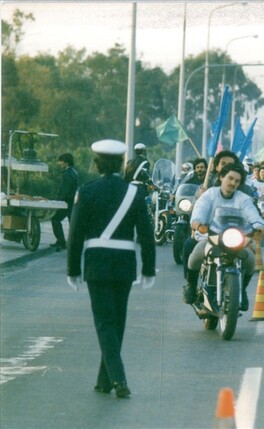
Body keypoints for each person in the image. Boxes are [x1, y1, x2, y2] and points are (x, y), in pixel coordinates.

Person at [67, 139, 155, 398]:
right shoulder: (135, 192)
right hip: (125, 264)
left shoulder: (88, 190)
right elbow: (146, 234)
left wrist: (73, 269)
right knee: (117, 321)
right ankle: (104, 380)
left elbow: (75, 234)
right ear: (121, 164)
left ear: (96, 163)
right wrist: (148, 268)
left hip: (96, 263)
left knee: (105, 322)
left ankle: (118, 378)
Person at [184, 163, 264, 311]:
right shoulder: (210, 194)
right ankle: (190, 285)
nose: (233, 183)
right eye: (230, 178)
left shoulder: (244, 198)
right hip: (211, 236)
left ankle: (241, 289)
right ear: (222, 177)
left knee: (250, 259)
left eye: (237, 181)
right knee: (196, 254)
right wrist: (197, 222)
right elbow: (200, 208)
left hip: (236, 239)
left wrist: (259, 226)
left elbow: (252, 214)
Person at [50, 153, 79, 251]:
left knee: (55, 219)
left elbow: (64, 190)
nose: (60, 163)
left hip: (66, 203)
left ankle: (61, 242)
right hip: (72, 202)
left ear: (66, 162)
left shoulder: (67, 174)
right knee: (73, 223)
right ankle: (71, 243)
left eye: (61, 161)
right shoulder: (74, 172)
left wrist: (58, 202)